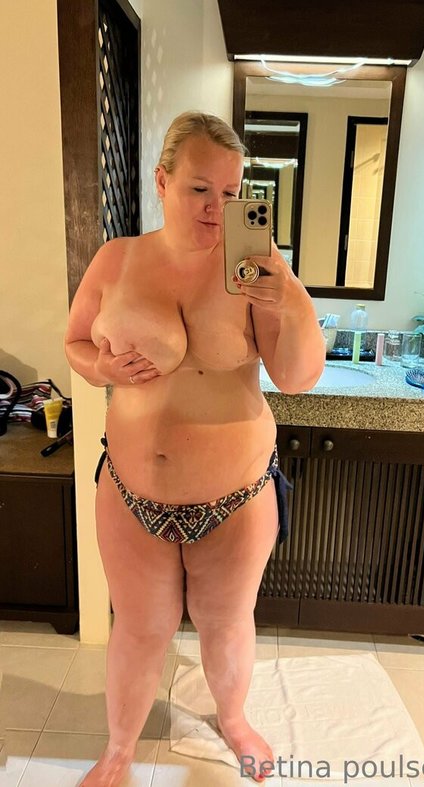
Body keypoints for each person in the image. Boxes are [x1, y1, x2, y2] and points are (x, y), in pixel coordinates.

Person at [65, 110, 325, 785]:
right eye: (200, 189)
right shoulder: (117, 259)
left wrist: (290, 298)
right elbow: (76, 342)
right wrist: (103, 367)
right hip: (130, 491)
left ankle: (234, 720)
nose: (217, 207)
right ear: (162, 180)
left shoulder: (253, 268)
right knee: (138, 627)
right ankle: (119, 749)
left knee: (227, 621)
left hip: (237, 496)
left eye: (232, 193)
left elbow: (297, 377)